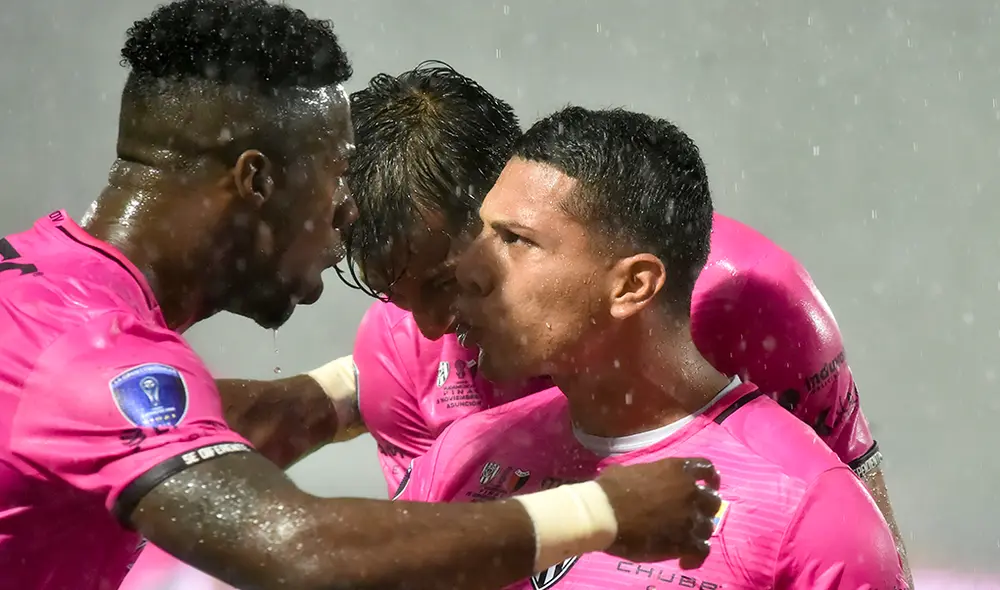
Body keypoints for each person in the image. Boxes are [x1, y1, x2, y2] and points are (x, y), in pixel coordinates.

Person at [0, 3, 725, 589]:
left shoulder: (39, 289)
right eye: (335, 175)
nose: (348, 212)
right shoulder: (95, 353)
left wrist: (341, 393)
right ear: (257, 181)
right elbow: (297, 549)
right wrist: (602, 512)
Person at [211, 62, 911, 584]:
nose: (434, 325)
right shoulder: (409, 364)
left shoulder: (748, 299)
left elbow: (850, 526)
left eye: (451, 277)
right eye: (398, 294)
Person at [396, 106, 909, 589]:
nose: (469, 269)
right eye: (482, 234)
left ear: (632, 285)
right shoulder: (459, 456)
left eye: (515, 240)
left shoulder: (808, 511)